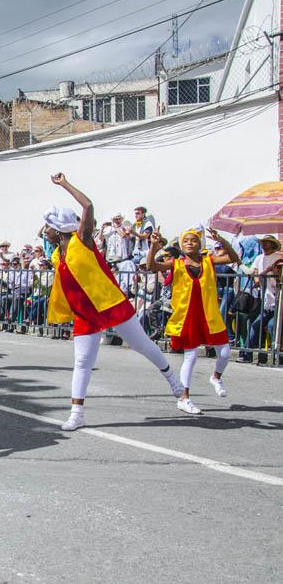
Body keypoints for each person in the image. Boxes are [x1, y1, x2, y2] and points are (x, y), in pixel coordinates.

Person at [43, 173, 184, 432]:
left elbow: (88, 207)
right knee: (82, 362)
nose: (45, 231)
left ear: (60, 228)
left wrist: (64, 184)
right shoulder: (56, 254)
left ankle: (174, 381)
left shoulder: (81, 241)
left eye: (48, 226)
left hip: (110, 303)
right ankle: (77, 413)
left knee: (141, 345)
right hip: (86, 313)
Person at [147, 226, 239, 413]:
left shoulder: (209, 261)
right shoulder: (176, 263)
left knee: (225, 353)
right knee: (190, 357)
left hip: (209, 314)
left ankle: (216, 377)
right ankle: (184, 398)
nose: (190, 243)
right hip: (188, 316)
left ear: (200, 244)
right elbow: (151, 267)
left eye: (194, 240)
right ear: (182, 245)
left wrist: (222, 240)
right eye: (186, 240)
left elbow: (234, 258)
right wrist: (153, 247)